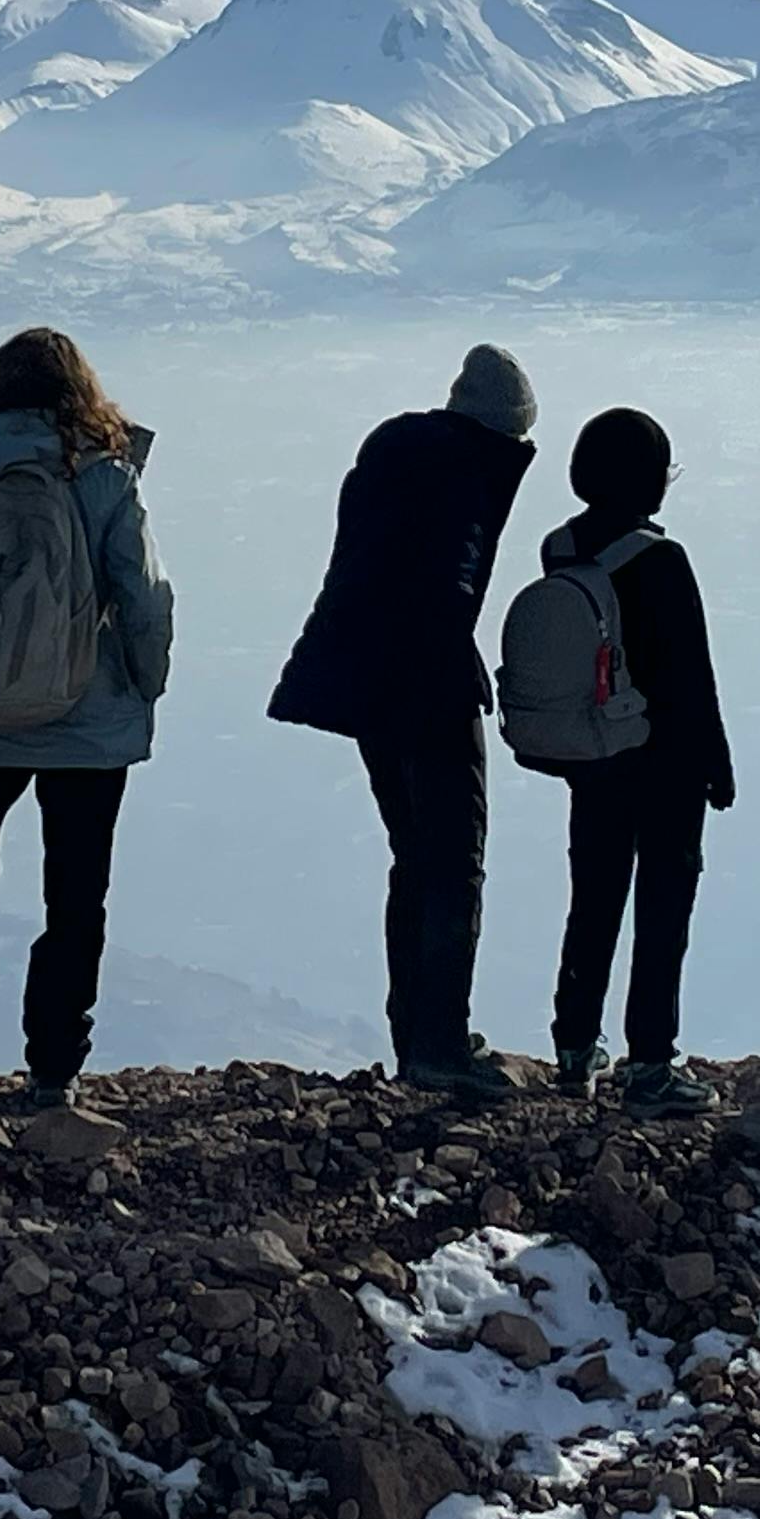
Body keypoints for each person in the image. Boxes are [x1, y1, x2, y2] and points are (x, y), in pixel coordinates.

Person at [0, 327, 175, 1111]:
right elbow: (144, 597)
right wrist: (143, 687)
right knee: (75, 892)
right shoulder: (106, 476)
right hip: (91, 719)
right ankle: (53, 1067)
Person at [271, 346, 540, 1107]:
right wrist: (460, 661)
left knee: (413, 857)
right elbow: (448, 582)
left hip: (368, 683)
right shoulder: (465, 473)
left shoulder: (396, 454)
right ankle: (441, 1046)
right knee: (455, 863)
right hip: (427, 687)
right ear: (509, 432)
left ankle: (418, 1035)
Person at [535, 409, 732, 1119]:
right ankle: (650, 1062)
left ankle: (573, 1050)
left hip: (593, 757)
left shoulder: (560, 550)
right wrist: (718, 763)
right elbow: (691, 675)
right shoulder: (660, 558)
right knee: (661, 909)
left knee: (592, 900)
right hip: (667, 762)